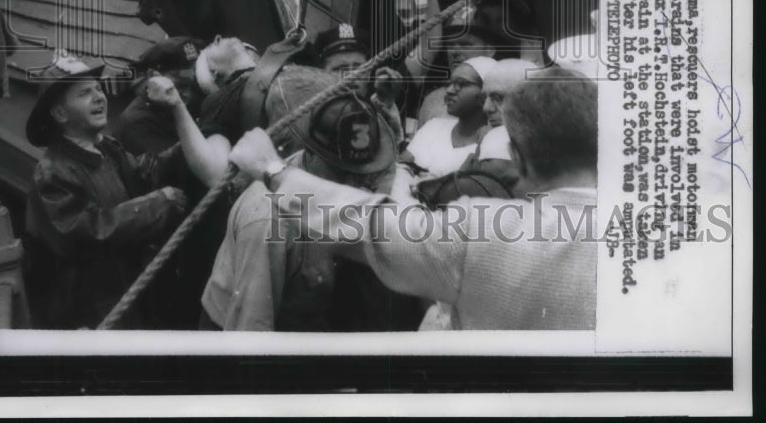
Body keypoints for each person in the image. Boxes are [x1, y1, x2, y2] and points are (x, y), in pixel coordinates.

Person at [227, 66, 598, 330]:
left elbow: (372, 226)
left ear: (516, 154)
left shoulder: (481, 231)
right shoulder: (650, 228)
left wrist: (274, 172)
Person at [201, 84, 421, 331]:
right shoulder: (267, 218)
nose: (353, 184)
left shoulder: (354, 180)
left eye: (363, 174)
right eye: (341, 171)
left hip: (314, 312)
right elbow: (252, 326)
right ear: (311, 153)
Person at [21, 57, 219, 328]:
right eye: (84, 93)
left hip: (137, 300)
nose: (99, 97)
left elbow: (145, 177)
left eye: (98, 89)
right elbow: (87, 231)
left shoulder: (107, 149)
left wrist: (194, 140)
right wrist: (158, 204)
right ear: (60, 114)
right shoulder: (51, 174)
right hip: (98, 314)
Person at [111, 36, 207, 155]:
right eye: (180, 85)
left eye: (192, 84)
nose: (188, 94)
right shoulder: (135, 123)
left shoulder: (194, 102)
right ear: (153, 76)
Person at [401, 56, 491, 176]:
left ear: (486, 91)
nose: (449, 90)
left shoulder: (493, 143)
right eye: (449, 83)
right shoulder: (434, 126)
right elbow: (400, 168)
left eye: (461, 83)